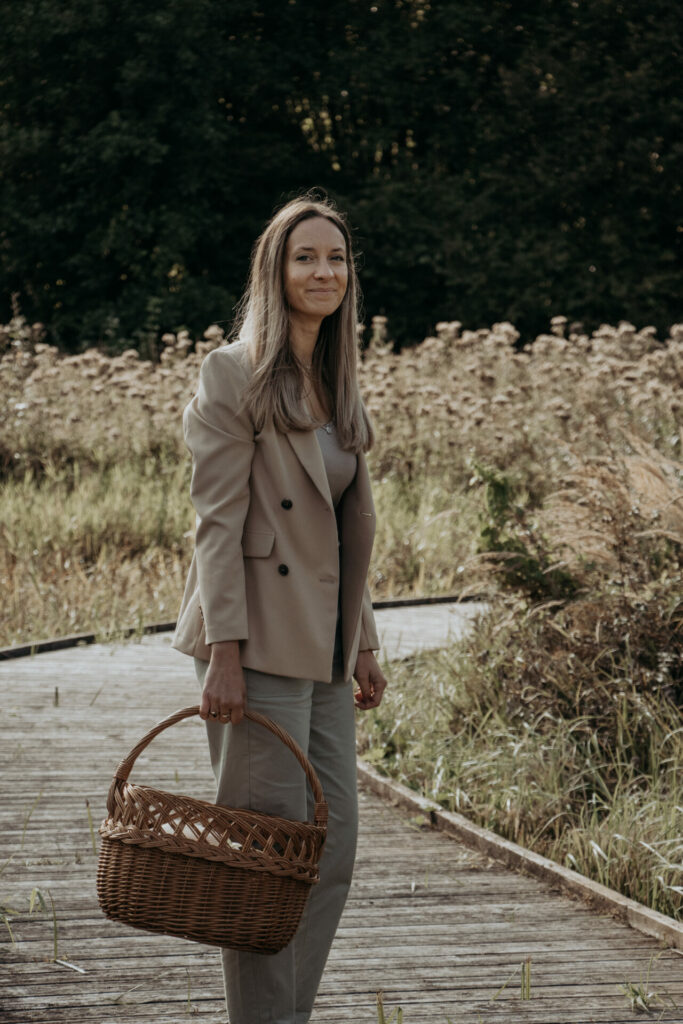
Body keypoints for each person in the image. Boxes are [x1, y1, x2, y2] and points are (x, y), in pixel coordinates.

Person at [172, 193, 388, 1024]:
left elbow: (344, 532)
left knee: (329, 852)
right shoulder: (233, 370)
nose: (323, 271)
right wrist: (222, 651)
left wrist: (363, 642)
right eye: (305, 257)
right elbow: (216, 522)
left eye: (334, 258)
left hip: (328, 647)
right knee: (264, 859)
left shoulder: (340, 376)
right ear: (276, 269)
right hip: (253, 641)